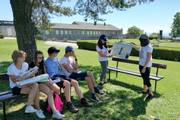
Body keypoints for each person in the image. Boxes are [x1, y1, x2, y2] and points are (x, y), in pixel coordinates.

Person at [44, 47, 90, 113]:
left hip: (60, 76)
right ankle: (69, 103)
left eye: (56, 52)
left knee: (75, 82)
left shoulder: (56, 59)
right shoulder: (46, 62)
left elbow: (61, 68)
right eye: (55, 52)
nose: (56, 53)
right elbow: (47, 73)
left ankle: (82, 100)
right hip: (53, 78)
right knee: (67, 83)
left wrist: (66, 74)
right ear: (50, 53)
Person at [7, 50, 45, 119]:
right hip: (16, 87)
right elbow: (15, 81)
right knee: (35, 90)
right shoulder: (11, 68)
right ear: (17, 58)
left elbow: (27, 75)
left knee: (36, 85)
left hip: (25, 83)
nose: (24, 59)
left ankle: (29, 106)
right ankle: (37, 109)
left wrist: (32, 73)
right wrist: (23, 77)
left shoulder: (25, 64)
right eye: (23, 57)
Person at [29, 50, 64, 119]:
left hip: (44, 81)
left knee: (54, 90)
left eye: (41, 58)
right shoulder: (32, 64)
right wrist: (33, 73)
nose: (40, 59)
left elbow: (45, 74)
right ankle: (53, 111)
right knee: (50, 91)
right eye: (39, 58)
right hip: (37, 83)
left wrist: (49, 80)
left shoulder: (42, 63)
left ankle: (53, 108)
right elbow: (31, 77)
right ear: (35, 57)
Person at [132, 34, 154, 99]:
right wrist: (133, 46)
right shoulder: (143, 45)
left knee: (146, 79)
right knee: (144, 78)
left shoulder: (149, 47)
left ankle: (151, 93)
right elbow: (139, 50)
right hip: (141, 64)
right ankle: (145, 90)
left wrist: (144, 67)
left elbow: (149, 58)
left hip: (146, 66)